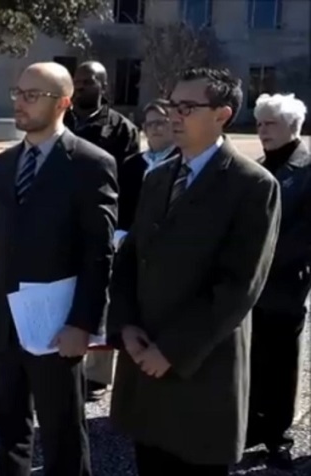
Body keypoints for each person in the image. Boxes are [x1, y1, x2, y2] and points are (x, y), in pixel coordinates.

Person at [107, 67, 281, 476]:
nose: (173, 116)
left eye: (187, 107)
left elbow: (239, 287)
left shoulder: (252, 186)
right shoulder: (159, 176)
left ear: (222, 114)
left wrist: (170, 351)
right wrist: (126, 324)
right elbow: (130, 257)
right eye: (171, 105)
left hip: (200, 368)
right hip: (143, 361)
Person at [0, 61, 117, 476]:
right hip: (3, 322)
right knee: (10, 431)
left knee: (62, 433)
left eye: (32, 95)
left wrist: (82, 323)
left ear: (63, 102)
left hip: (56, 327)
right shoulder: (2, 165)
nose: (20, 103)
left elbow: (98, 253)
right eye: (18, 93)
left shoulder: (90, 164)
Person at [64, 60, 140, 401]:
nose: (80, 86)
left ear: (104, 86)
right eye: (77, 81)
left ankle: (95, 375)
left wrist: (119, 230)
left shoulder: (122, 130)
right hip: (59, 222)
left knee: (100, 295)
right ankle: (55, 355)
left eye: (88, 81)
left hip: (100, 223)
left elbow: (129, 183)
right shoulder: (59, 120)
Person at [246, 92, 311, 470]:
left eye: (269, 123)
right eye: (258, 123)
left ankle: (277, 436)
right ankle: (252, 427)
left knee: (282, 363)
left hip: (285, 284)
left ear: (292, 127)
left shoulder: (306, 171)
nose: (261, 130)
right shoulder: (256, 168)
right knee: (252, 359)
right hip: (249, 287)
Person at [117, 100, 178, 232]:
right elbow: (121, 205)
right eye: (150, 124)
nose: (155, 128)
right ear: (144, 128)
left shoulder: (183, 162)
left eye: (161, 123)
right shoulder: (131, 164)